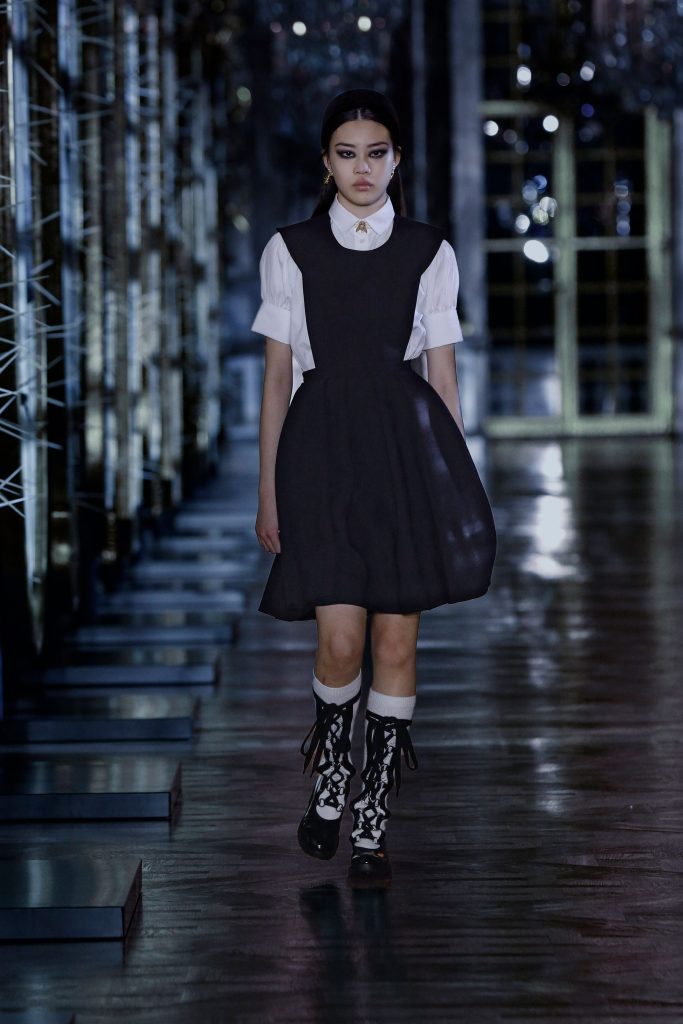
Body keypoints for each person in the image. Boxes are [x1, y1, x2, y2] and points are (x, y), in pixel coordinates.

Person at [251, 88, 496, 890]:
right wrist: (267, 490)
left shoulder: (429, 250)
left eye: (377, 153)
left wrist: (452, 484)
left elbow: (442, 376)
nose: (362, 168)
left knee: (395, 642)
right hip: (318, 455)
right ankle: (331, 780)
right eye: (347, 153)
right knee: (340, 640)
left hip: (402, 456)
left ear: (396, 159)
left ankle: (371, 819)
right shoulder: (289, 250)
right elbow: (277, 377)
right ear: (326, 163)